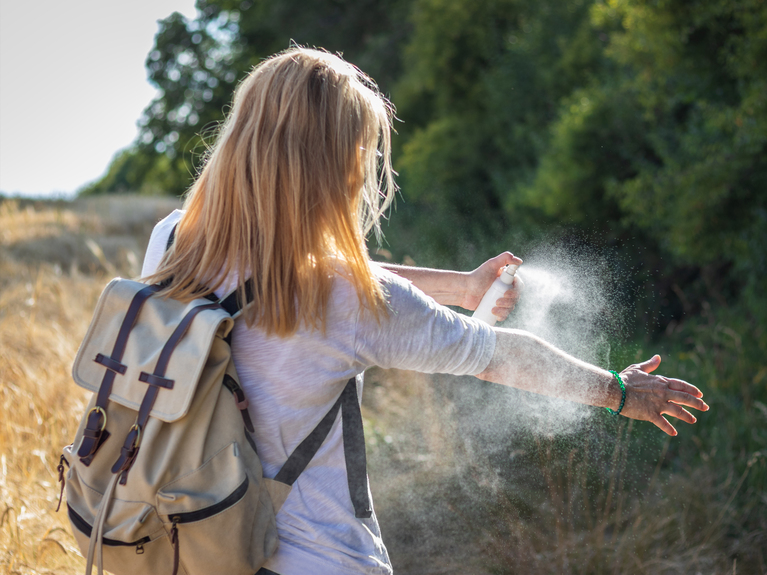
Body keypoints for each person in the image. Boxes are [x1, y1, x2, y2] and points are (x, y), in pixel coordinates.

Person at [142, 47, 708, 575]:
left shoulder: (174, 240)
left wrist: (461, 288)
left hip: (191, 546)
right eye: (360, 148)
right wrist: (621, 391)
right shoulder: (346, 297)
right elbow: (499, 355)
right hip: (319, 559)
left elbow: (302, 273)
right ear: (334, 161)